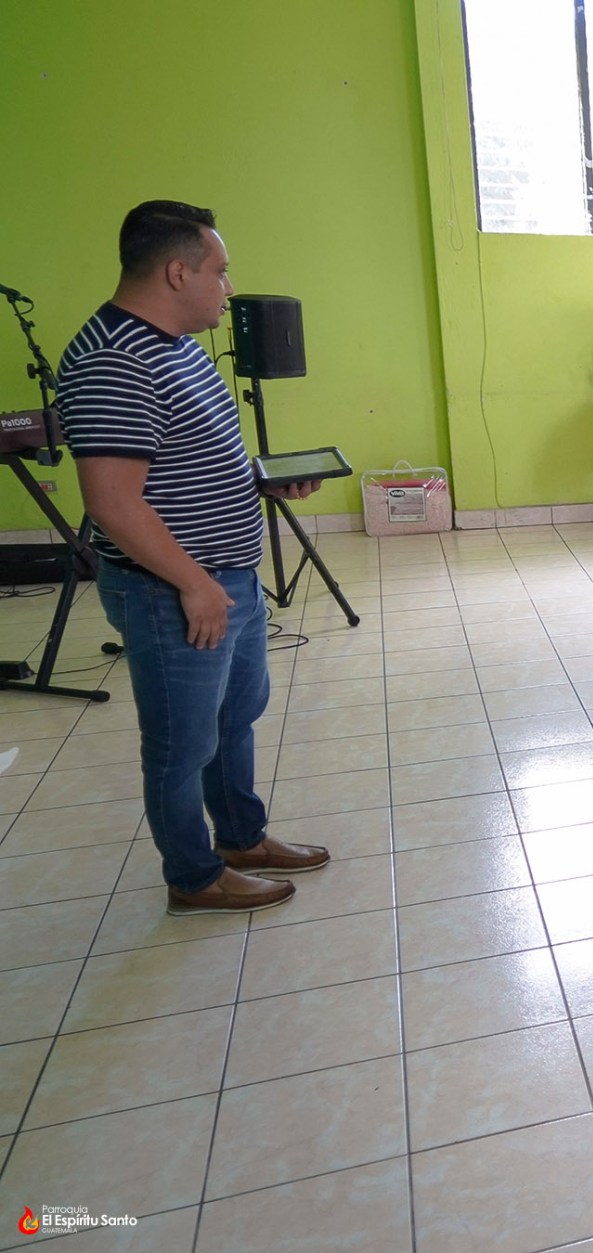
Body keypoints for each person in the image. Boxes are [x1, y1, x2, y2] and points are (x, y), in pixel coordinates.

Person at [56, 201, 329, 915]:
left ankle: (241, 839)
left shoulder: (175, 343)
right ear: (178, 272)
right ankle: (193, 875)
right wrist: (195, 585)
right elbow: (112, 502)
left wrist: (261, 481)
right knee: (181, 744)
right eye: (220, 271)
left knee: (234, 716)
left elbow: (185, 456)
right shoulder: (115, 360)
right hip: (174, 589)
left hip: (224, 574)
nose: (228, 289)